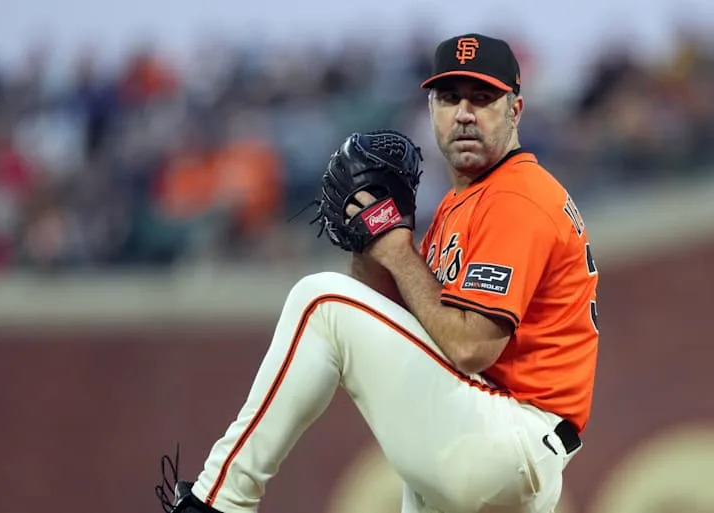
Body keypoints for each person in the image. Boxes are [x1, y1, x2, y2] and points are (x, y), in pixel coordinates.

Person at [157, 33, 599, 513]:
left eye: (483, 98)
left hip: (506, 437)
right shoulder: (463, 203)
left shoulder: (516, 196)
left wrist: (396, 245)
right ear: (431, 110)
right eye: (449, 98)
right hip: (498, 450)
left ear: (515, 111)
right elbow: (395, 323)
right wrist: (370, 244)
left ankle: (222, 500)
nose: (465, 114)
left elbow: (471, 346)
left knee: (320, 301)